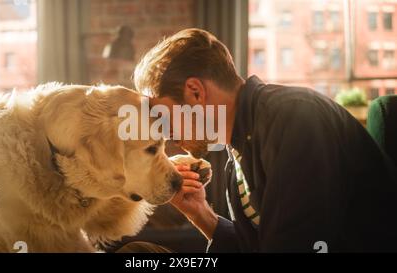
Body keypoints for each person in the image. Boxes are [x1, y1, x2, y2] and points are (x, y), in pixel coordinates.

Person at [130, 28, 397, 252]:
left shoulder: (294, 117)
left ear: (195, 92)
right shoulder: (237, 152)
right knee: (138, 253)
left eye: (162, 115)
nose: (165, 133)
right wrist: (201, 213)